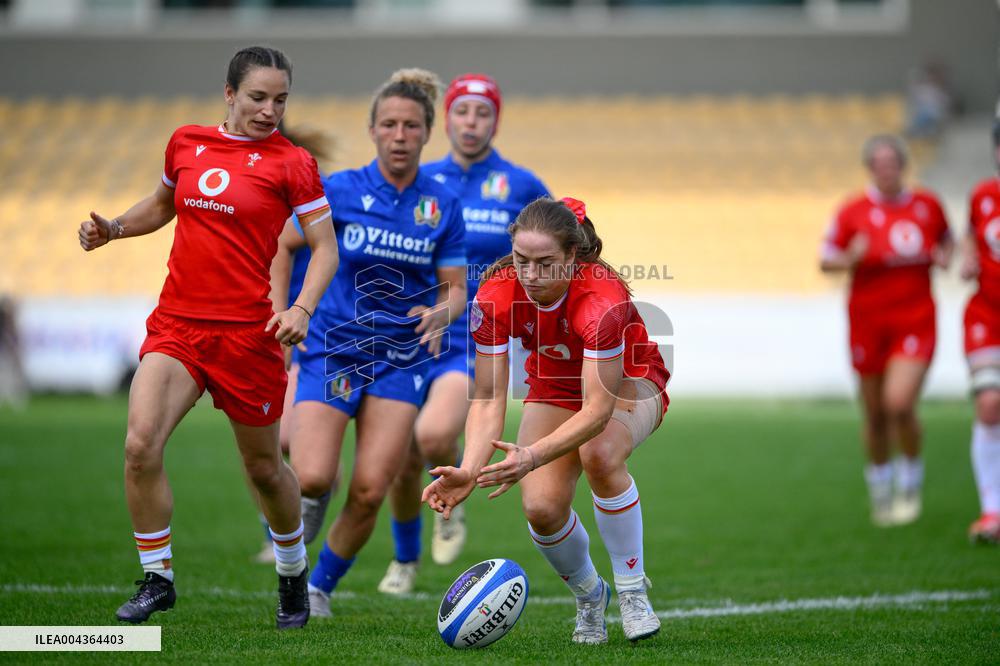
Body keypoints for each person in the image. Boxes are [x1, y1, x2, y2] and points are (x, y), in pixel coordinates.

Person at [77, 46, 339, 629]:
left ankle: (292, 573)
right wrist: (114, 229)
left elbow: (325, 248)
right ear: (228, 93)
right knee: (140, 445)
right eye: (257, 97)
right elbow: (164, 203)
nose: (270, 110)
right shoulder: (186, 142)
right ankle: (157, 578)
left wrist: (300, 306)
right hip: (178, 326)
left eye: (280, 100)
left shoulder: (292, 163)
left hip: (249, 336)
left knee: (266, 470)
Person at [423, 197, 669, 644]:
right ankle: (591, 596)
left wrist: (532, 455)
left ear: (573, 257)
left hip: (629, 380)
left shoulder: (601, 299)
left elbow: (597, 410)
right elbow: (488, 398)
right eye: (521, 261)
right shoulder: (496, 294)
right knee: (540, 508)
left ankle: (634, 592)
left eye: (545, 263)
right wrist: (470, 468)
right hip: (554, 387)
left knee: (600, 451)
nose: (531, 276)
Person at [275, 68, 467, 618]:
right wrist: (285, 311)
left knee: (367, 491)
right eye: (389, 124)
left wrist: (439, 311)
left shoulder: (442, 205)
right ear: (372, 131)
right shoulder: (339, 191)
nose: (400, 135)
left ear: (427, 132)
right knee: (312, 474)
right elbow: (283, 244)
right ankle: (296, 528)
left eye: (411, 125)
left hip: (399, 362)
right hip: (335, 349)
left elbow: (455, 291)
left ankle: (316, 590)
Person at [377, 73, 551, 594]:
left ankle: (451, 498)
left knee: (432, 436)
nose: (472, 123)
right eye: (462, 112)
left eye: (483, 114)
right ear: (445, 118)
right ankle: (405, 561)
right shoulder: (421, 178)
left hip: (477, 338)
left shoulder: (520, 185)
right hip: (415, 333)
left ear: (496, 120)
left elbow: (560, 245)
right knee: (401, 459)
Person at [820, 134, 952, 527]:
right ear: (870, 168)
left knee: (899, 402)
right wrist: (851, 257)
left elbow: (947, 240)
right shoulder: (853, 211)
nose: (886, 169)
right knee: (875, 413)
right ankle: (881, 490)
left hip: (915, 318)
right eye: (879, 163)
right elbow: (826, 261)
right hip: (867, 322)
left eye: (892, 161)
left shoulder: (927, 206)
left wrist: (946, 255)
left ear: (903, 165)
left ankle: (910, 480)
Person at [960, 119, 1000, 544]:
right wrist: (970, 257)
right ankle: (993, 512)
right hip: (987, 315)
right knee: (990, 404)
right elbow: (973, 235)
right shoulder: (984, 194)